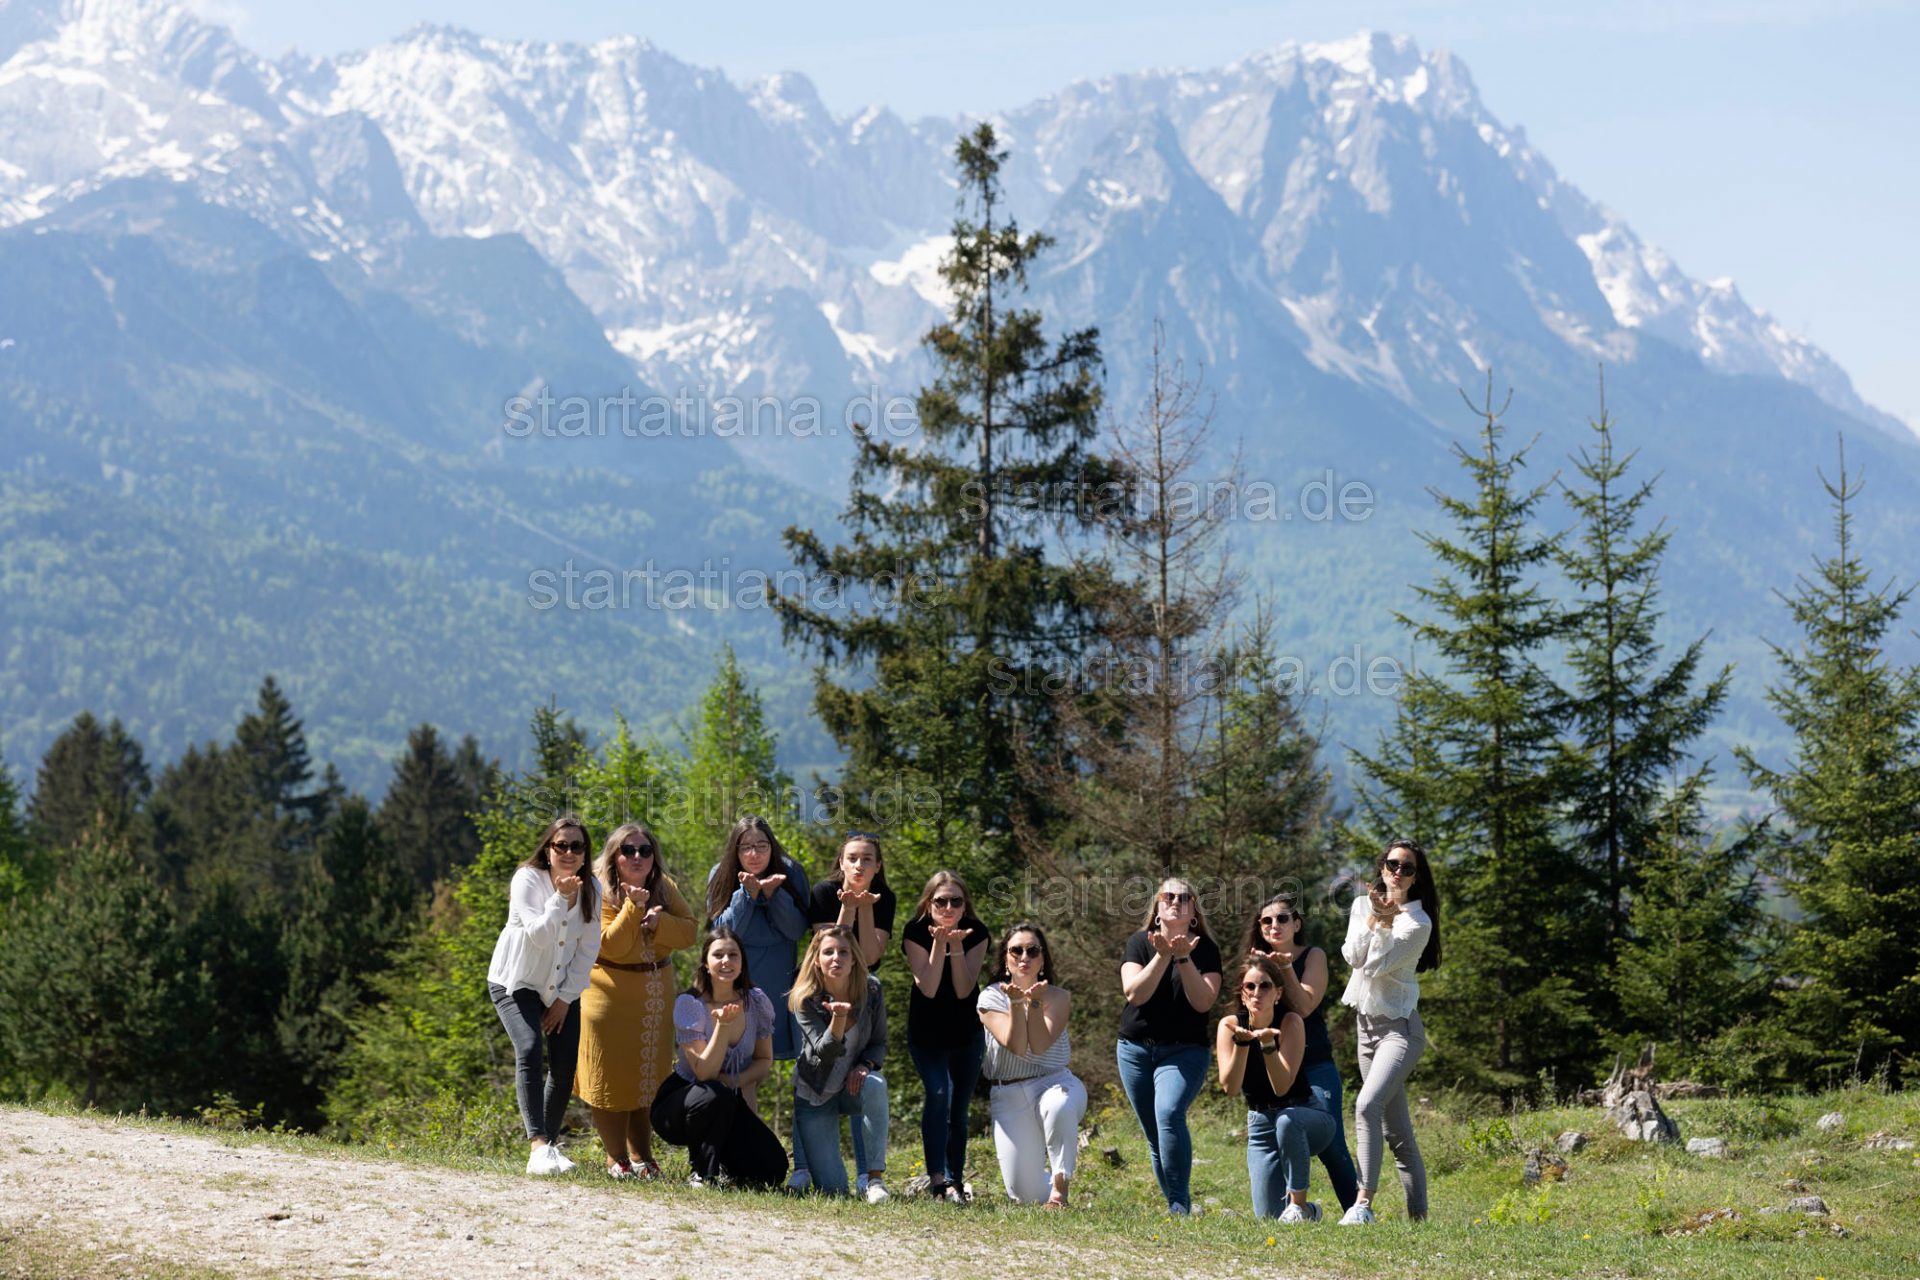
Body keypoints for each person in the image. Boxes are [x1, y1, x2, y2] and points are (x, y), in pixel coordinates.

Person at [576, 822, 696, 1179]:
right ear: (615, 855)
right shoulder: (595, 886)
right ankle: (616, 1158)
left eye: (645, 850)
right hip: (607, 997)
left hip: (654, 1002)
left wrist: (659, 923)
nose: (637, 857)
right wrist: (633, 906)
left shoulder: (664, 885)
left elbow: (689, 931)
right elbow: (610, 945)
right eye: (628, 850)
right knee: (609, 1079)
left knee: (646, 1082)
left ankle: (642, 1157)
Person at [486, 815, 602, 1174]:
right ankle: (537, 1145)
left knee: (565, 1064)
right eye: (561, 845)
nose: (569, 852)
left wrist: (565, 999)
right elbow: (537, 935)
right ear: (548, 849)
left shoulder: (592, 888)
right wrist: (560, 897)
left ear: (585, 853)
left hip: (561, 987)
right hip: (515, 981)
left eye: (577, 846)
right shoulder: (527, 879)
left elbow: (588, 949)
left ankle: (547, 1150)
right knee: (529, 1048)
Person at [1338, 839, 1441, 1225]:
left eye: (1407, 868)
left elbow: (1375, 966)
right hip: (1366, 1028)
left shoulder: (1418, 923)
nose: (1398, 872)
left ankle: (1362, 1205)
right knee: (1397, 1134)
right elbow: (1353, 956)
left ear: (1416, 878)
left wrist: (1382, 922)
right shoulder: (1362, 906)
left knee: (1367, 1105)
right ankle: (1419, 1221)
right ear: (1382, 867)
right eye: (1392, 864)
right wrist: (1374, 918)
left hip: (1400, 1031)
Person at [1241, 891, 1359, 1209]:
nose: (1274, 925)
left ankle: (1357, 1212)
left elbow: (1305, 1006)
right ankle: (1299, 1210)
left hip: (1314, 1067)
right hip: (1274, 1067)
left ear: (1296, 924)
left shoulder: (1313, 956)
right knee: (1279, 1138)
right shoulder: (1256, 966)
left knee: (1332, 1145)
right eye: (1266, 920)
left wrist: (1285, 968)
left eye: (1282, 918)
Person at [1116, 877, 1222, 1215]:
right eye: (1168, 896)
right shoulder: (1138, 943)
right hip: (1135, 1051)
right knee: (1154, 1135)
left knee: (1169, 1113)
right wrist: (1163, 955)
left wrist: (1183, 958)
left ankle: (1179, 1205)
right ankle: (1179, 1206)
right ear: (1157, 908)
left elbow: (1203, 1001)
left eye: (1184, 898)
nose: (1176, 902)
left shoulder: (1206, 950)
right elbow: (1135, 994)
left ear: (1194, 912)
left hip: (1184, 1051)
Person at [652, 928, 787, 1190]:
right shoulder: (690, 1004)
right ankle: (702, 1173)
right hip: (682, 1104)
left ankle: (728, 1168)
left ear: (742, 962)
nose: (726, 961)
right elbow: (704, 1073)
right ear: (706, 963)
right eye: (718, 955)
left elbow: (764, 1060)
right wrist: (723, 1026)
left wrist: (733, 1081)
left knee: (773, 1169)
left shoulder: (756, 1002)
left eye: (733, 955)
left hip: (730, 1097)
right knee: (714, 1093)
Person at [1217, 954, 1337, 1223]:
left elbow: (1281, 1087)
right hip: (1261, 1123)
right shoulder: (1229, 1026)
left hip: (1306, 1115)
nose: (1257, 992)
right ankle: (1310, 1212)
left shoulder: (1291, 1022)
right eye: (1250, 986)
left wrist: (1268, 1044)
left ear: (1278, 993)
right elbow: (1231, 1088)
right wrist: (1242, 1044)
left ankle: (1298, 1204)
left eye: (1265, 986)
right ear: (1242, 993)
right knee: (1268, 1218)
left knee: (1287, 1120)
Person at [978, 923, 1085, 1207]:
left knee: (1059, 1105)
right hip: (1008, 1093)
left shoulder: (1058, 997)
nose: (1024, 957)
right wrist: (1016, 1004)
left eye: (1033, 950)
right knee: (1026, 1196)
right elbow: (1015, 1045)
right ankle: (1046, 1186)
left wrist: (1034, 1003)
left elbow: (1038, 1045)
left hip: (1054, 1082)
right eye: (1016, 950)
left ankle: (1060, 1192)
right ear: (1005, 959)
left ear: (1042, 959)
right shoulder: (990, 997)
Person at [901, 871, 990, 1204]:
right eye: (941, 901)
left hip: (967, 1033)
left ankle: (955, 1180)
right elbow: (928, 986)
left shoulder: (977, 932)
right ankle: (937, 1179)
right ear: (929, 904)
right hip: (927, 1034)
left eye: (956, 901)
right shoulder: (915, 931)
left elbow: (964, 988)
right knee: (939, 1094)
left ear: (965, 906)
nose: (948, 907)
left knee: (959, 1109)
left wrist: (956, 945)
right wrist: (940, 942)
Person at [789, 925, 890, 1202]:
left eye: (843, 952)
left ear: (854, 958)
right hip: (815, 1093)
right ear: (817, 960)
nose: (836, 958)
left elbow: (879, 1042)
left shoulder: (871, 990)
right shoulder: (805, 999)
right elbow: (824, 1052)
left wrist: (865, 1065)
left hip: (852, 1087)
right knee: (834, 1192)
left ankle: (874, 1179)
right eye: (828, 952)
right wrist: (839, 1018)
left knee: (876, 1085)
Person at [705, 816, 811, 1060]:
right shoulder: (720, 873)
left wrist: (774, 895)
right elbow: (722, 935)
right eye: (746, 847)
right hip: (734, 981)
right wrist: (747, 895)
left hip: (778, 984)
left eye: (762, 846)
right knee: (734, 1058)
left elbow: (797, 930)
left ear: (772, 846)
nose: (754, 854)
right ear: (736, 850)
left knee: (770, 1054)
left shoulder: (791, 872)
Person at [808, 832, 896, 969]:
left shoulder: (884, 897)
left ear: (877, 866)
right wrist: (848, 908)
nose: (859, 865)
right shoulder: (824, 891)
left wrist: (866, 907)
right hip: (823, 973)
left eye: (867, 859)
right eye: (852, 859)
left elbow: (869, 958)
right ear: (841, 863)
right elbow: (830, 952)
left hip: (863, 973)